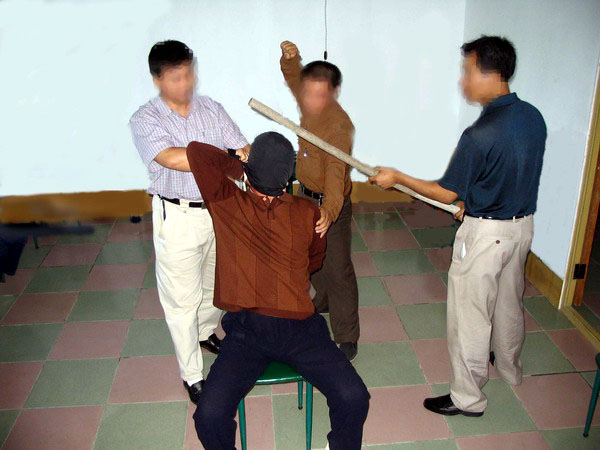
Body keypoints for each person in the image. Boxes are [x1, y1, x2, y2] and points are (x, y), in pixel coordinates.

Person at [370, 36, 546, 417]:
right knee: (509, 303)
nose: (462, 81)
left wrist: (397, 177)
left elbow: (446, 192)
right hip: (521, 229)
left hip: (486, 237)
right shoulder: (532, 117)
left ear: (490, 73)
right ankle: (511, 369)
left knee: (469, 318)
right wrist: (473, 201)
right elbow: (510, 172)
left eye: (467, 72)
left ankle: (468, 399)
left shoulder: (479, 135)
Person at [188, 132, 370, 449]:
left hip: (256, 330)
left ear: (250, 174)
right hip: (293, 328)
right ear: (288, 178)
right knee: (354, 397)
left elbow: (197, 152)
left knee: (209, 415)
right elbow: (315, 261)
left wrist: (239, 160)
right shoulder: (309, 212)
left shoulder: (227, 203)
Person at [129, 40, 250, 404]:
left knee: (216, 283)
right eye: (176, 77)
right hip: (178, 215)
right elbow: (172, 158)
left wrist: (241, 157)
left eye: (188, 73)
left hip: (219, 212)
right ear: (157, 80)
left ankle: (204, 332)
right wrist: (224, 158)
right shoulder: (146, 119)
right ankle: (192, 375)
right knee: (181, 299)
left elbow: (242, 149)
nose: (185, 83)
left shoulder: (211, 109)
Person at [280, 40, 360, 361]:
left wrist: (328, 211)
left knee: (338, 268)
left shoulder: (338, 127)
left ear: (333, 93)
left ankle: (347, 335)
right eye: (308, 94)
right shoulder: (308, 100)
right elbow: (293, 78)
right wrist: (290, 59)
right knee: (311, 257)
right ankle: (321, 302)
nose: (311, 101)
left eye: (320, 95)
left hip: (331, 203)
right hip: (305, 198)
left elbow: (336, 177)